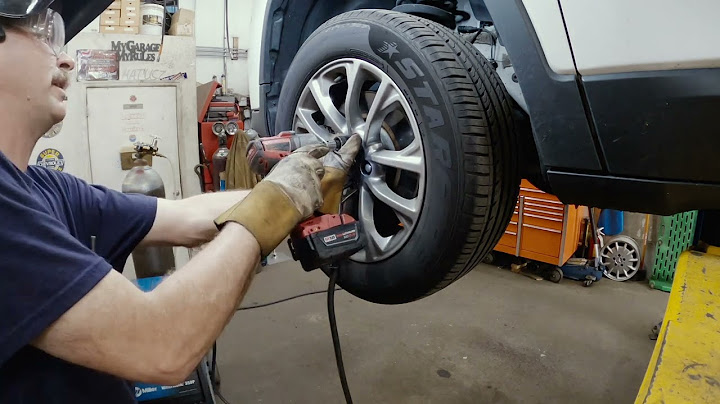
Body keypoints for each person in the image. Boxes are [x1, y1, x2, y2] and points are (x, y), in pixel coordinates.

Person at [0, 3, 362, 403]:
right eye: (43, 35)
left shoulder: (43, 188)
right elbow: (158, 345)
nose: (66, 58)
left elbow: (183, 217)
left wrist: (295, 187)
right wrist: (275, 202)